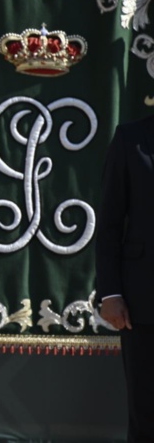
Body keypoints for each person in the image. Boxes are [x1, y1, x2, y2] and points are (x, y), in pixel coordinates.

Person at [96, 116, 154, 442]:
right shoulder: (131, 138)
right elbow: (110, 223)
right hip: (144, 304)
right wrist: (110, 293)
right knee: (146, 413)